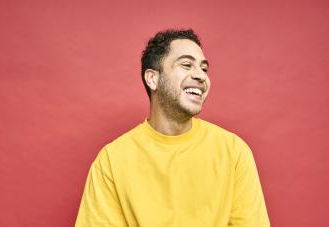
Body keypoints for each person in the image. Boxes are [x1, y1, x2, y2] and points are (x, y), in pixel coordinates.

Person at [75, 29, 270, 227]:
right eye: (186, 65)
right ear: (152, 78)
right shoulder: (111, 160)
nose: (201, 76)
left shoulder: (234, 152)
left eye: (204, 69)